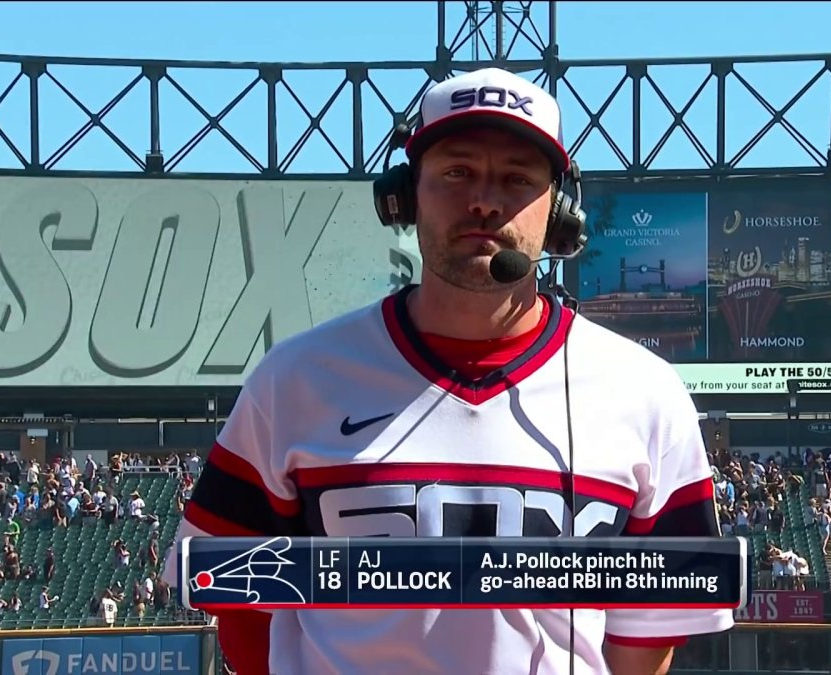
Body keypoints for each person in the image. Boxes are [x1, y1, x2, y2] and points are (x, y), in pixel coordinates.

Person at [165, 66, 732, 674]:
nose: (485, 201)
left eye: (517, 179)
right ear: (406, 195)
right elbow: (235, 597)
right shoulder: (294, 380)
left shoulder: (644, 392)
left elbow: (647, 633)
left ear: (560, 212)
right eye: (457, 171)